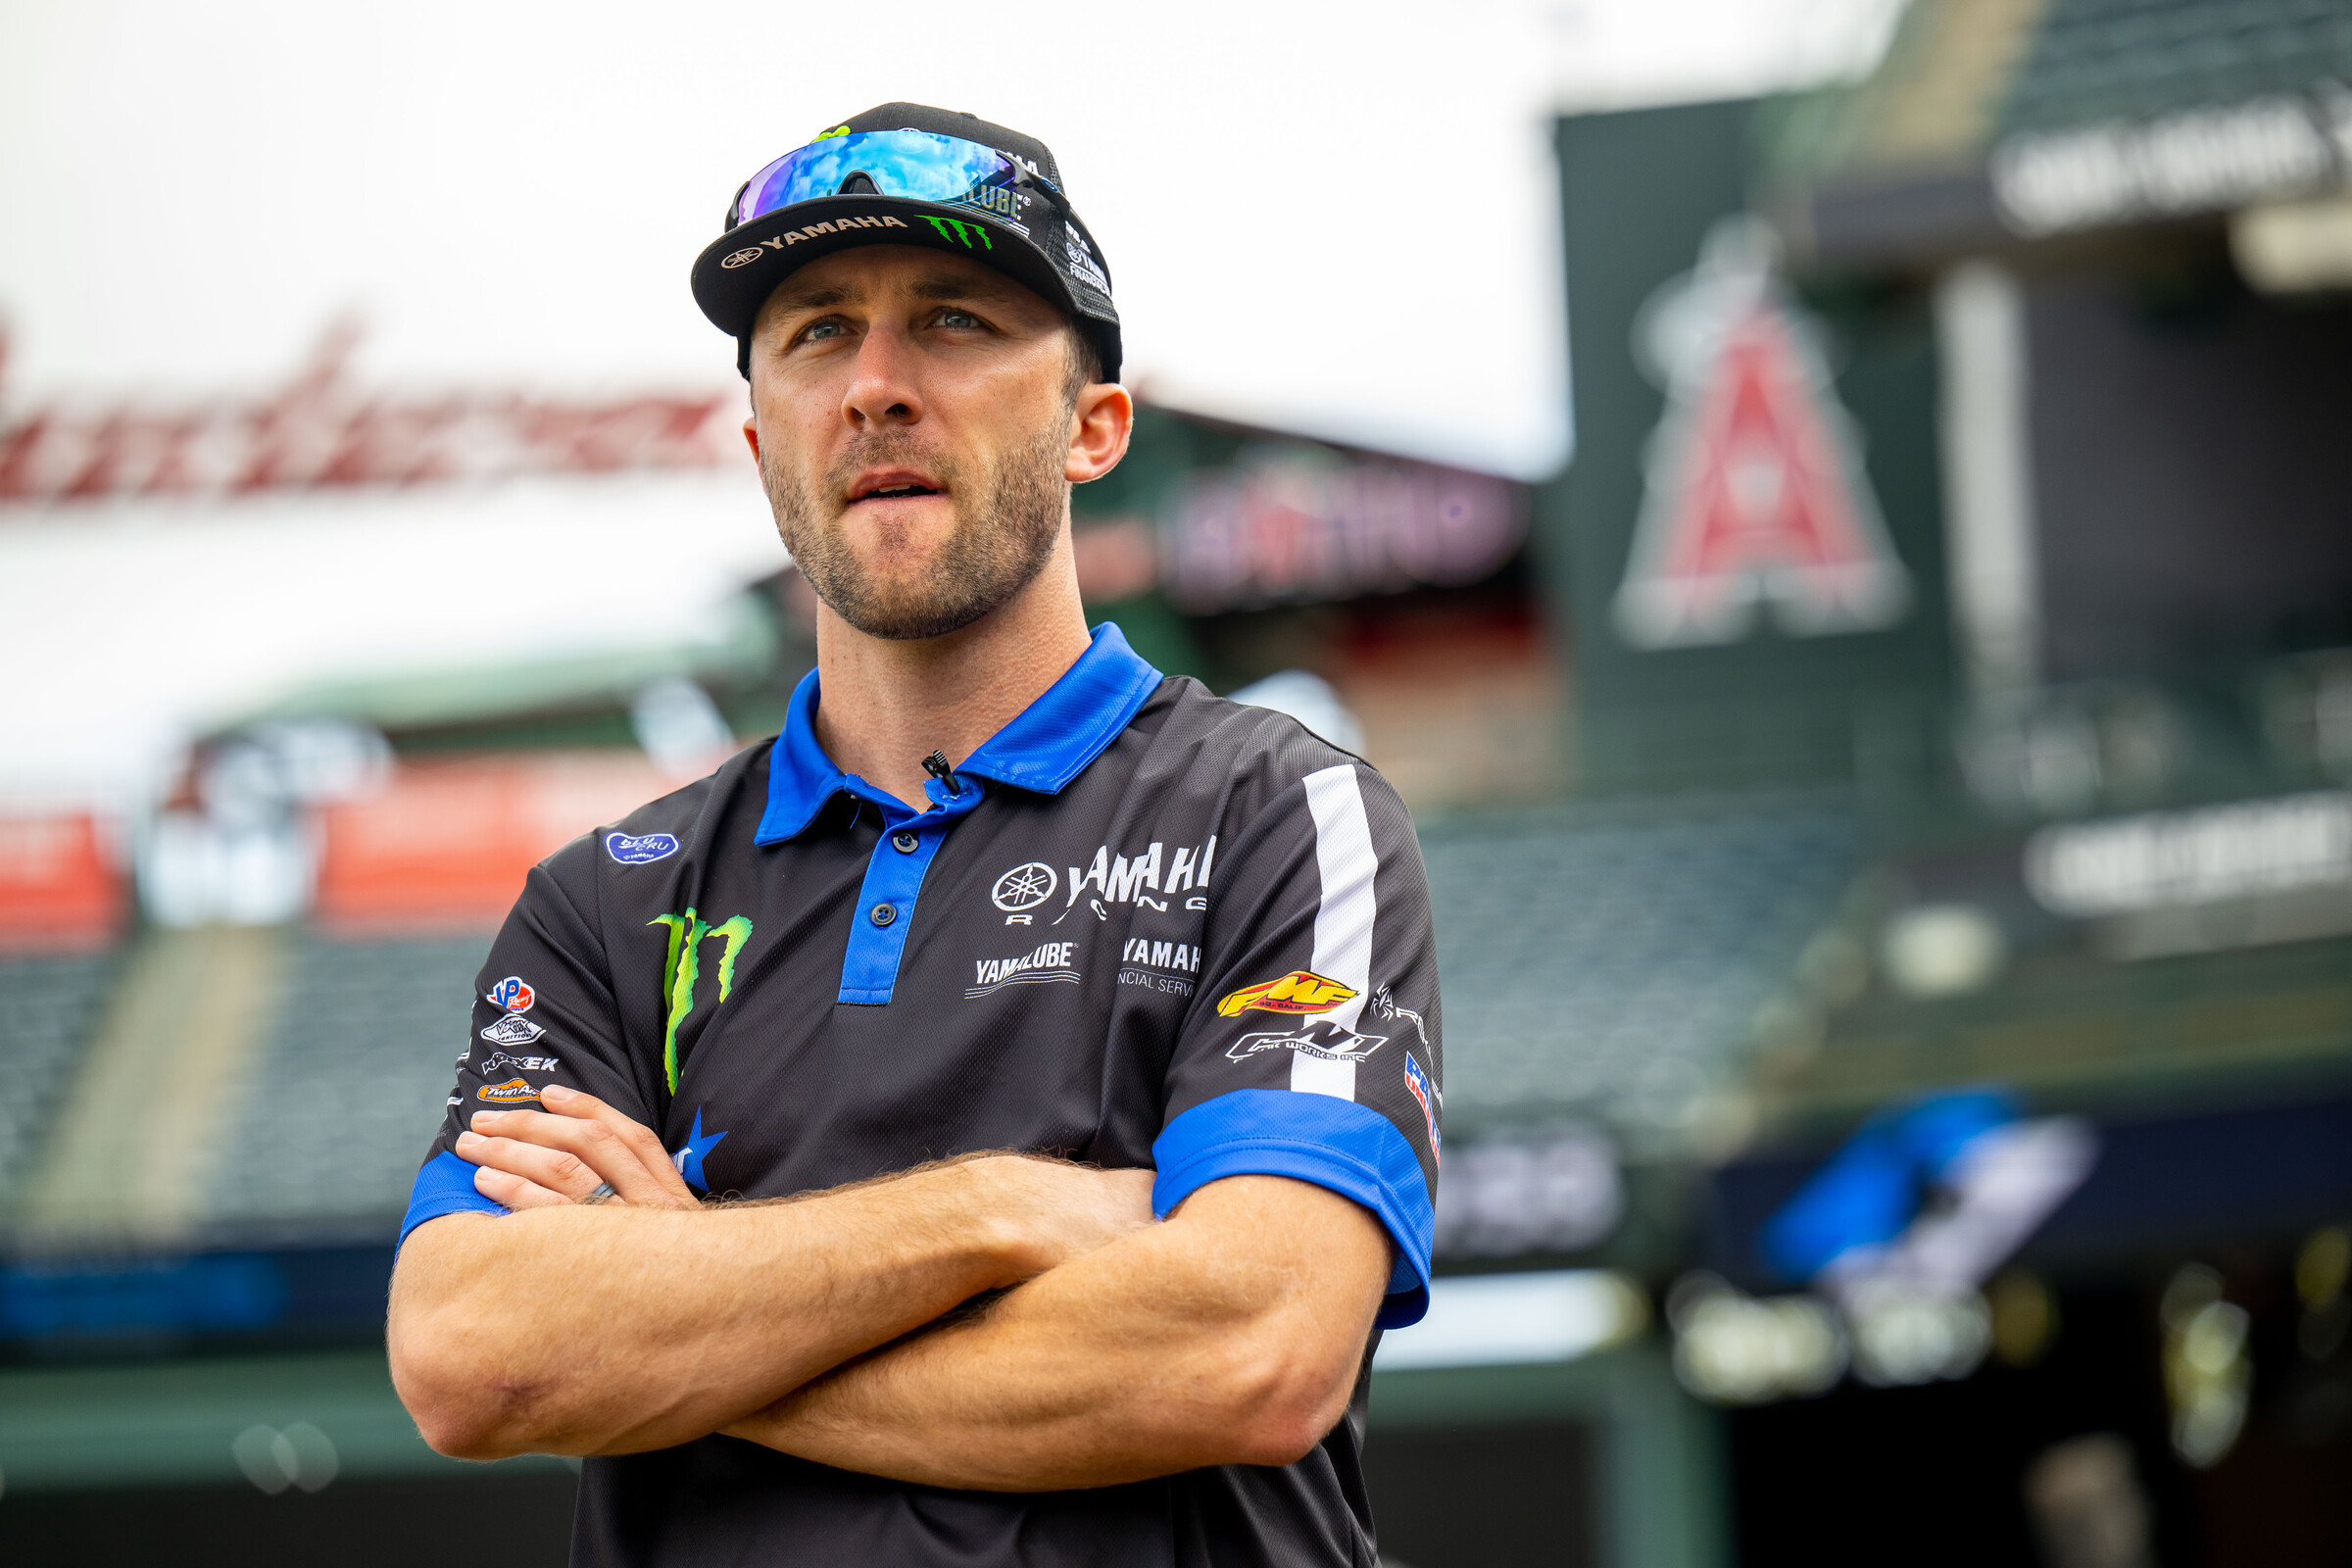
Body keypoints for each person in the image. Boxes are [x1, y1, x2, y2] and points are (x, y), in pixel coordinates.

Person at [386, 102, 1444, 1568]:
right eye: (817, 332)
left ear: (1094, 427)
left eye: (952, 320)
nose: (876, 385)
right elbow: (473, 1356)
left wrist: (678, 1307)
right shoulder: (604, 907)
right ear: (761, 441)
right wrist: (1004, 1213)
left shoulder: (1278, 813)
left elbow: (1251, 1349)